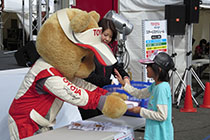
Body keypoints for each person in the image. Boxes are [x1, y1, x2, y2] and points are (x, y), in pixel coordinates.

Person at [78, 18, 130, 120]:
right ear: (98, 32)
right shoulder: (88, 51)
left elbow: (116, 66)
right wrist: (109, 82)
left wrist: (125, 77)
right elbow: (87, 75)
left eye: (110, 37)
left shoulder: (108, 50)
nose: (107, 39)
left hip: (104, 93)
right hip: (89, 94)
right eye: (105, 35)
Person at [115, 51, 174, 140]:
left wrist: (140, 111)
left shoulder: (162, 88)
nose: (146, 68)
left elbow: (162, 116)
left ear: (158, 69)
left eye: (149, 66)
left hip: (161, 135)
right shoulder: (155, 85)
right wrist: (124, 84)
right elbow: (140, 94)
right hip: (154, 133)